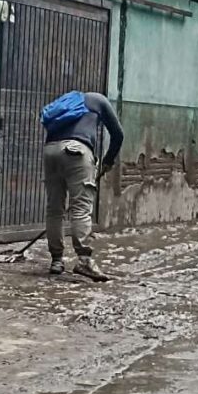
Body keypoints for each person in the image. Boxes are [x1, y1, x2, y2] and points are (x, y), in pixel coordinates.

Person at [43, 91, 124, 281]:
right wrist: (108, 161)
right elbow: (118, 134)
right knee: (80, 209)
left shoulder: (66, 102)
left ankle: (56, 260)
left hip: (50, 150)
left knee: (54, 209)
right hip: (77, 150)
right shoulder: (99, 100)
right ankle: (84, 261)